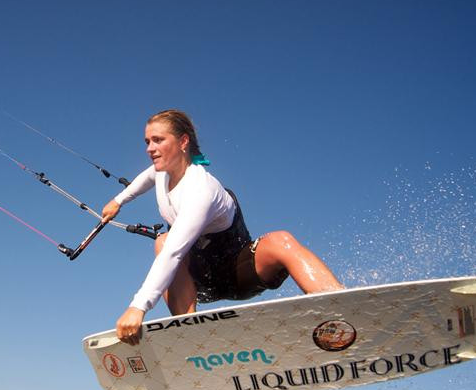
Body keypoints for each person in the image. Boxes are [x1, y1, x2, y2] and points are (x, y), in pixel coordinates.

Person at [101, 109, 343, 344]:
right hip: (199, 281)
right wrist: (118, 201)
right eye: (147, 141)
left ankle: (340, 311)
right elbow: (145, 179)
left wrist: (138, 306)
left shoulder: (200, 188)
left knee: (281, 240)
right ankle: (190, 332)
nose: (149, 149)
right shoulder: (161, 172)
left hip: (239, 273)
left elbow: (174, 252)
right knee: (162, 241)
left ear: (183, 141)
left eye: (158, 140)